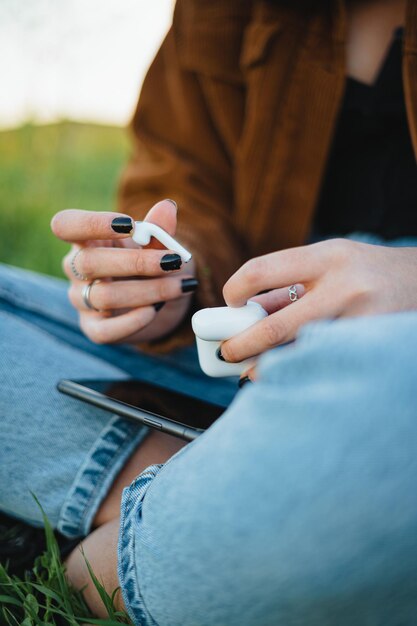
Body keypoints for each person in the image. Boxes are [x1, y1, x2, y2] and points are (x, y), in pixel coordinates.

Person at [1, 0, 417, 623]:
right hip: (244, 361)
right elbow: (183, 190)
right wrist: (161, 289)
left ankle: (126, 544)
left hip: (385, 390)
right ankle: (210, 491)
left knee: (393, 391)